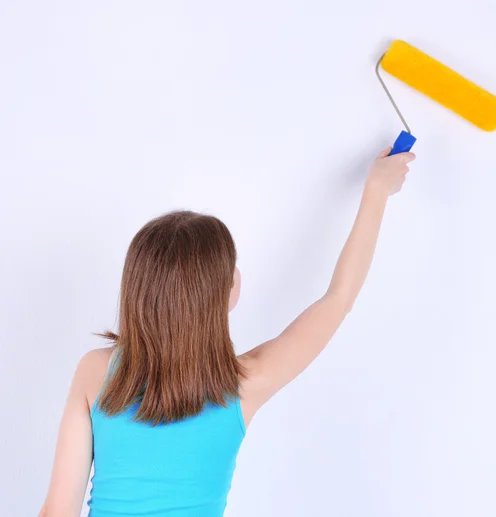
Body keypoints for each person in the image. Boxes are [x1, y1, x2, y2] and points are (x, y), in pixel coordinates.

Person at [39, 148, 416, 517]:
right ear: (226, 290)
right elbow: (338, 297)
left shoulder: (96, 372)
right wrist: (377, 191)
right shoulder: (245, 383)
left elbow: (57, 512)